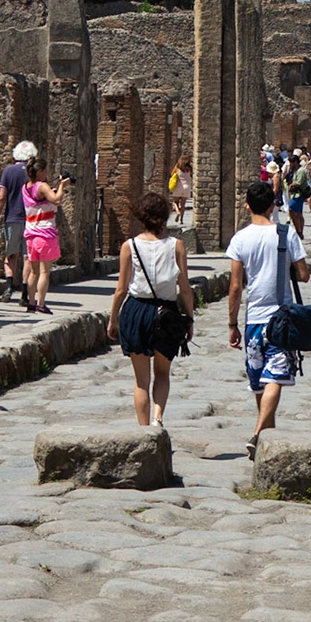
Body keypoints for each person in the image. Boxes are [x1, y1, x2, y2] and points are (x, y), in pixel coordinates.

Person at [225, 180, 309, 459]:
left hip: (254, 319)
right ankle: (261, 433)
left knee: (260, 381)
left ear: (246, 205)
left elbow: (236, 286)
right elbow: (304, 274)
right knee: (275, 378)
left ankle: (262, 436)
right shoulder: (286, 234)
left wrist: (232, 324)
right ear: (274, 205)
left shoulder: (240, 239)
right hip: (281, 317)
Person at [107, 192, 195, 426]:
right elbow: (184, 288)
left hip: (137, 311)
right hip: (166, 314)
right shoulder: (177, 246)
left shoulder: (130, 246)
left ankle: (144, 430)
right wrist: (190, 318)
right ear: (165, 216)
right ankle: (158, 418)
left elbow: (121, 289)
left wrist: (113, 318)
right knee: (163, 373)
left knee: (140, 382)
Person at [22, 157, 71, 314]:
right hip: (45, 234)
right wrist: (62, 186)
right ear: (40, 171)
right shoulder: (42, 186)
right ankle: (41, 304)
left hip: (30, 234)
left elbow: (40, 201)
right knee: (44, 272)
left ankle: (30, 303)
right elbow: (56, 200)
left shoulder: (25, 187)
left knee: (33, 272)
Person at [0, 139, 37, 307]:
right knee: (28, 258)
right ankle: (25, 294)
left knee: (10, 255)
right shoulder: (33, 173)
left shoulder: (8, 171)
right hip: (31, 220)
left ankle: (9, 287)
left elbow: (1, 197)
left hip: (12, 218)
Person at [286, 151, 311, 237]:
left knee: (293, 211)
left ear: (295, 162)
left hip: (298, 194)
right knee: (297, 213)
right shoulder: (296, 170)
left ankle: (299, 230)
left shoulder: (300, 171)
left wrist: (291, 185)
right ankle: (299, 230)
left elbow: (299, 182)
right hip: (295, 194)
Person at [172, 154, 193, 228]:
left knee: (175, 202)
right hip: (186, 187)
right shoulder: (189, 168)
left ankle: (177, 211)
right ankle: (181, 220)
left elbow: (172, 174)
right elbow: (192, 175)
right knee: (183, 204)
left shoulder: (178, 166)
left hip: (178, 186)